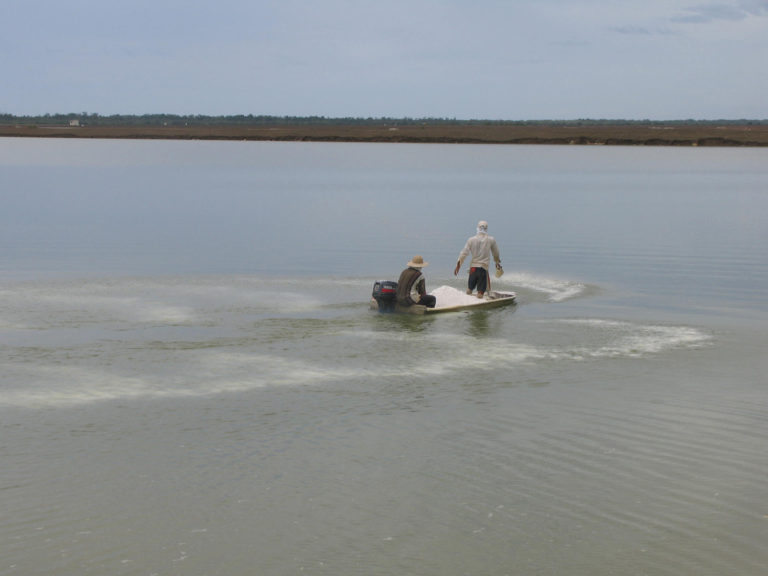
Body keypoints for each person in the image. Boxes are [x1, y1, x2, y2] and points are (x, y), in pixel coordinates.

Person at [454, 220, 502, 298]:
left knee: (469, 290)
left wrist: (458, 265)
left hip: (473, 268)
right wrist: (497, 262)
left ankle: (467, 303)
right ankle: (479, 305)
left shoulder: (471, 239)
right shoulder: (491, 240)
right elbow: (496, 253)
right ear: (486, 229)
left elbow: (464, 253)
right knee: (480, 293)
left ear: (477, 228)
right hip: (483, 269)